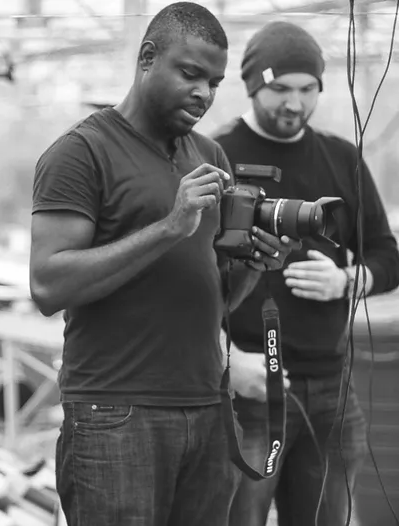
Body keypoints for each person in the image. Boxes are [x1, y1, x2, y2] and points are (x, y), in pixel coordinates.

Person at [29, 4, 296, 526]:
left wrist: (255, 265)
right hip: (116, 417)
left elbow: (215, 297)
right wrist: (171, 226)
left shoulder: (210, 157)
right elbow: (46, 284)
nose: (204, 93)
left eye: (215, 82)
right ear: (148, 58)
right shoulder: (82, 153)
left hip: (207, 410)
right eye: (191, 74)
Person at [213, 20, 399, 526]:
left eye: (307, 88)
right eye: (279, 89)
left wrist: (348, 280)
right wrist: (225, 361)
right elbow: (184, 280)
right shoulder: (215, 156)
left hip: (332, 388)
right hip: (250, 388)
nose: (294, 103)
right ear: (253, 86)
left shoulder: (341, 157)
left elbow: (387, 256)